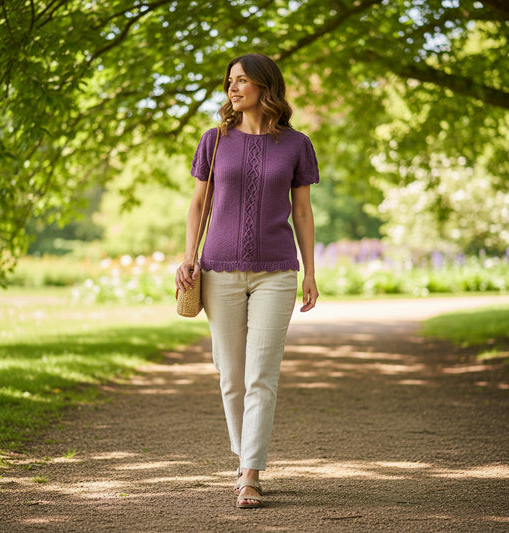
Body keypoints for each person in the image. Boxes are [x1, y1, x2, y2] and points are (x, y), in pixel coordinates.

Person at [175, 53, 319, 509]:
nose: (232, 89)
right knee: (231, 375)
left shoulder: (296, 144)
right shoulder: (214, 140)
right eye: (229, 82)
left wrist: (310, 270)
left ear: (264, 86)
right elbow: (198, 204)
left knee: (262, 375)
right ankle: (243, 459)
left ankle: (251, 475)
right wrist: (188, 256)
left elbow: (302, 211)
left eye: (241, 81)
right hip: (218, 270)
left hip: (277, 271)